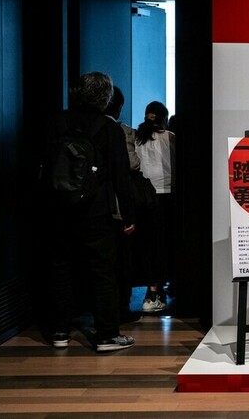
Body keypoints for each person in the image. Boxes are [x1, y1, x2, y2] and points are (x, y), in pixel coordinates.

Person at [41, 72, 136, 352]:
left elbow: (45, 166)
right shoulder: (109, 129)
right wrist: (129, 215)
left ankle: (60, 330)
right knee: (102, 271)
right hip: (96, 210)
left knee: (60, 268)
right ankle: (106, 335)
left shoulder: (57, 122)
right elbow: (121, 176)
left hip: (58, 208)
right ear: (106, 98)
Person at [103, 86, 142, 324]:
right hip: (116, 205)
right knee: (121, 260)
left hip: (85, 204)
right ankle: (121, 309)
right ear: (117, 108)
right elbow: (132, 164)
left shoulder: (78, 127)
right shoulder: (121, 131)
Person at [135, 101, 176, 313]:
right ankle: (153, 293)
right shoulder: (171, 138)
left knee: (147, 244)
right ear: (164, 118)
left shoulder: (138, 139)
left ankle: (154, 290)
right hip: (166, 196)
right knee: (162, 245)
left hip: (143, 198)